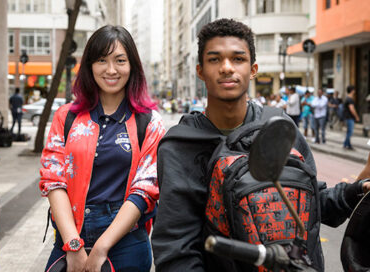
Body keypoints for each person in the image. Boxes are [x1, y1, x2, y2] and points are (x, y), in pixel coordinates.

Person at [151, 18, 370, 272]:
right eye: (214, 59)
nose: (226, 68)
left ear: (253, 69)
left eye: (238, 59)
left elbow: (311, 203)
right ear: (200, 71)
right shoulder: (180, 145)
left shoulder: (279, 126)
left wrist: (356, 191)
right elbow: (176, 248)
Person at [39, 25, 165, 272]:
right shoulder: (65, 118)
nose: (111, 70)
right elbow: (53, 181)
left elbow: (145, 190)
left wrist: (100, 248)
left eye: (120, 60)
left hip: (126, 243)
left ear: (132, 66)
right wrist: (73, 245)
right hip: (68, 238)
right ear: (89, 66)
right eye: (101, 60)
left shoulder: (150, 122)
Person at [343, 85, 360, 150]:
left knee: (348, 132)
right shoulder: (350, 99)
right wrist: (357, 117)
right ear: (352, 91)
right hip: (349, 118)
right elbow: (352, 109)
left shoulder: (347, 98)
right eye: (354, 90)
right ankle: (345, 144)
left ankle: (348, 145)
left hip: (347, 117)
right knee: (350, 132)